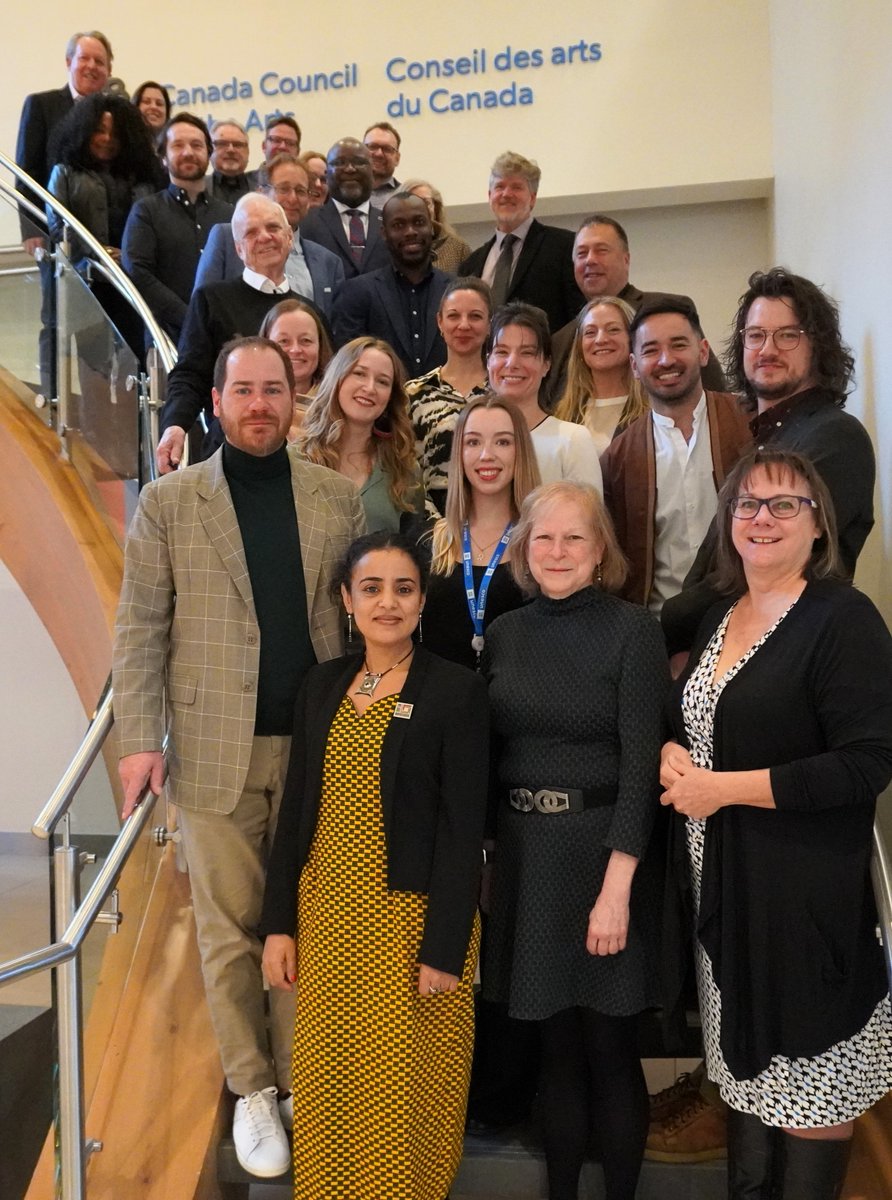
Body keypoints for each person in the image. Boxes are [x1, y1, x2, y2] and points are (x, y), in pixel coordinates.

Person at [113, 335, 365, 1178]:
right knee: (229, 931)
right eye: (244, 391)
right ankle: (252, 1088)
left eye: (275, 390)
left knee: (306, 921)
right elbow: (141, 627)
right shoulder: (170, 502)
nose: (261, 404)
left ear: (296, 400)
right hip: (214, 748)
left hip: (318, 748)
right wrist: (140, 741)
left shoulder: (337, 498)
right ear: (215, 402)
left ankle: (300, 1082)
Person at [660, 447, 892, 1200]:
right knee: (747, 1088)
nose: (762, 518)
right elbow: (709, 722)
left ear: (819, 523)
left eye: (784, 504)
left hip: (803, 898)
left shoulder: (841, 619)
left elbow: (866, 764)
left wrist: (721, 789)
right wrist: (675, 751)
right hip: (730, 890)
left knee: (811, 1092)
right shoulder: (726, 613)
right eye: (748, 505)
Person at [260, 530, 489, 1200]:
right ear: (346, 599)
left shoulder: (456, 691)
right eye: (371, 588)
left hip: (409, 927)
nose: (387, 602)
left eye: (403, 588)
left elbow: (461, 829)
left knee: (401, 1093)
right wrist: (280, 925)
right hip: (328, 920)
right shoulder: (321, 685)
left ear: (421, 601)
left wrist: (445, 949)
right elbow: (297, 812)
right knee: (330, 1091)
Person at [481, 480, 668, 1200]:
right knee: (552, 1048)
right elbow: (490, 760)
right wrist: (492, 858)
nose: (557, 552)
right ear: (525, 548)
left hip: (602, 857)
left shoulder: (633, 631)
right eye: (544, 538)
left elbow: (639, 763)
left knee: (608, 1046)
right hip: (528, 860)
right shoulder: (504, 635)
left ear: (601, 551)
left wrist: (617, 891)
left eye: (575, 538)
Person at [661, 267, 876, 656]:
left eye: (788, 335)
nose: (767, 349)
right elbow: (718, 556)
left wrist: (666, 627)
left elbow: (754, 569)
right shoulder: (765, 442)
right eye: (755, 336)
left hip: (791, 660)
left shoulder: (834, 436)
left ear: (818, 346)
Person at [600, 297, 750, 611]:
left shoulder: (748, 423)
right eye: (651, 350)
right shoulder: (619, 457)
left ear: (703, 351)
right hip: (659, 629)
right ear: (634, 366)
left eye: (678, 345)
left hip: (746, 617)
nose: (666, 360)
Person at [158, 192, 323, 471]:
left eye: (273, 228)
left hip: (305, 456)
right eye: (251, 232)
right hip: (228, 456)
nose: (265, 237)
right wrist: (175, 426)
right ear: (238, 249)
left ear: (289, 238)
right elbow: (190, 374)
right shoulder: (212, 300)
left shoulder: (309, 311)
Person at [546, 215, 726, 404]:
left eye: (601, 250)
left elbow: (715, 391)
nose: (590, 260)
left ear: (626, 259)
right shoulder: (561, 340)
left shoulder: (670, 311)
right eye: (582, 253)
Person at [423, 394, 539, 670]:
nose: (487, 455)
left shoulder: (542, 542)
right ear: (459, 453)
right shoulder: (430, 542)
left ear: (520, 451)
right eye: (473, 442)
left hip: (519, 703)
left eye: (503, 442)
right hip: (446, 703)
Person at [47, 92, 159, 357]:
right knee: (93, 364)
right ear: (84, 131)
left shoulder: (142, 176)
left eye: (115, 133)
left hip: (133, 282)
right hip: (87, 283)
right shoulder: (64, 172)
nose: (107, 139)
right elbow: (57, 226)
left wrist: (128, 255)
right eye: (99, 130)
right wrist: (99, 253)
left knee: (137, 361)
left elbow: (154, 224)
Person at [122, 113, 233, 344]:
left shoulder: (229, 215)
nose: (188, 152)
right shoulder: (146, 211)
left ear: (208, 154)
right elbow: (138, 273)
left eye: (196, 145)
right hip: (166, 341)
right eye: (177, 145)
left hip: (225, 341)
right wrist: (190, 319)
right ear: (163, 157)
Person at [298, 336, 424, 533]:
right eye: (359, 373)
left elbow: (412, 551)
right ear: (337, 379)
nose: (369, 388)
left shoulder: (405, 470)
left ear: (391, 397)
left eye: (382, 382)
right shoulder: (295, 459)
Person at [195, 153, 344, 318]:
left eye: (300, 191)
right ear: (262, 192)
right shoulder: (226, 238)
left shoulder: (328, 261)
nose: (293, 198)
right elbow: (202, 307)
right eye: (284, 189)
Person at [331, 191, 453, 378]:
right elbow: (348, 368)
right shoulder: (356, 293)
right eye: (398, 225)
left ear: (432, 227)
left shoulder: (455, 291)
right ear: (384, 233)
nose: (410, 231)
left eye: (419, 222)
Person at [460, 151, 583, 331]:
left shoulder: (564, 247)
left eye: (516, 187)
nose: (506, 194)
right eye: (500, 187)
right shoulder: (471, 264)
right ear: (489, 196)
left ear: (532, 198)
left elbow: (577, 317)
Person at [487, 303, 603, 490]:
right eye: (501, 352)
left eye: (527, 353)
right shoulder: (472, 438)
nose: (512, 363)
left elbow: (590, 516)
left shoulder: (572, 440)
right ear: (488, 361)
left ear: (546, 364)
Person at [407, 278, 492, 516]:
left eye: (475, 316)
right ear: (440, 322)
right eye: (454, 316)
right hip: (429, 528)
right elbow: (405, 472)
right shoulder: (414, 394)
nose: (464, 325)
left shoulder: (504, 392)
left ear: (489, 325)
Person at [554, 295, 648, 453]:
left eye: (613, 330)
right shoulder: (562, 413)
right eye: (590, 332)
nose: (601, 339)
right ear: (579, 346)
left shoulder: (654, 411)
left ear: (633, 338)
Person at [299, 138, 391, 278]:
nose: (349, 169)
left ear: (372, 172)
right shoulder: (305, 222)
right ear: (327, 174)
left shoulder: (390, 223)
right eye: (340, 163)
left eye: (359, 162)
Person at [259, 297, 332, 436]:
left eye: (306, 340)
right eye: (284, 341)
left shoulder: (340, 409)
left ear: (320, 346)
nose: (295, 350)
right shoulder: (246, 408)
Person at [403, 178, 471, 273]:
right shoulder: (391, 248)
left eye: (426, 203)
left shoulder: (459, 249)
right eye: (413, 203)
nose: (421, 209)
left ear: (435, 207)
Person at [207, 119, 252, 205]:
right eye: (222, 144)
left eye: (237, 145)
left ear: (247, 151)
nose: (231, 150)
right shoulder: (196, 189)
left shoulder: (263, 189)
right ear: (210, 150)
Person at [363, 121, 402, 208]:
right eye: (372, 146)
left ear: (397, 158)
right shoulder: (340, 194)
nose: (379, 154)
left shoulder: (406, 197)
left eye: (387, 149)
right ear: (360, 152)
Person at [132, 80, 171, 148]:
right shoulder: (122, 146)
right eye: (146, 102)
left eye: (159, 104)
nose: (154, 107)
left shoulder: (171, 149)